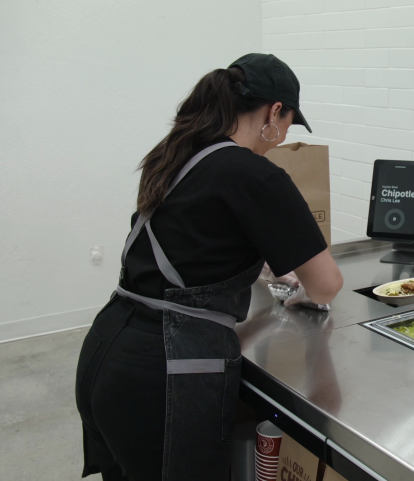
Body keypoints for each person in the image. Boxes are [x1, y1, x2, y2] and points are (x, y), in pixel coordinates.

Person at [75, 53, 343, 481]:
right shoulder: (254, 173)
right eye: (290, 121)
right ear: (274, 111)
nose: (284, 135)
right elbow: (327, 285)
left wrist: (272, 290)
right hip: (163, 376)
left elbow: (195, 248)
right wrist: (302, 293)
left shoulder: (177, 152)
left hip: (108, 352)